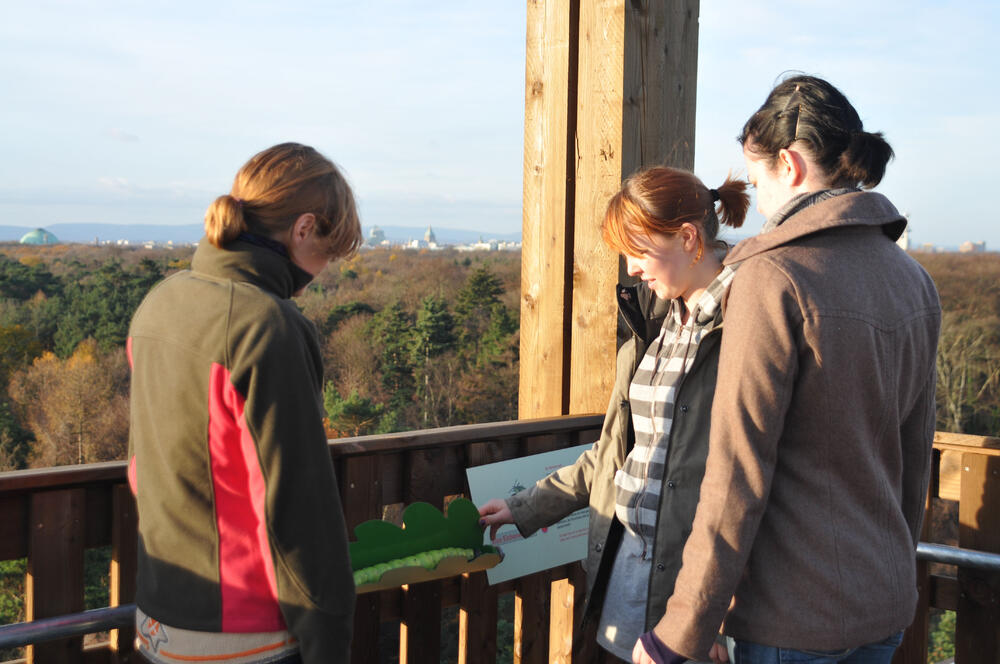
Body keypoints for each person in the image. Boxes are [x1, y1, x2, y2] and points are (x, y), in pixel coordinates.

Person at [634, 75, 942, 664]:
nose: (757, 205)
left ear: (790, 165)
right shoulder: (914, 280)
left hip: (792, 617)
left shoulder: (773, 278)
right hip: (884, 603)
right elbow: (912, 456)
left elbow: (736, 474)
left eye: (756, 181)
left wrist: (681, 634)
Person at [479, 166, 749, 661]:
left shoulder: (751, 320)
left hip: (694, 586)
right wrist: (526, 507)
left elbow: (754, 482)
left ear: (689, 238)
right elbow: (621, 454)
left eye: (639, 250)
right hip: (627, 564)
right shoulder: (659, 321)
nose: (631, 269)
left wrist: (714, 615)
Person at [127, 142, 361, 664]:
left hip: (157, 619)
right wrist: (329, 641)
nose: (323, 270)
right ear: (302, 229)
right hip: (243, 631)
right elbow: (298, 512)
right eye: (328, 251)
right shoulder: (266, 326)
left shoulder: (159, 303)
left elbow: (143, 466)